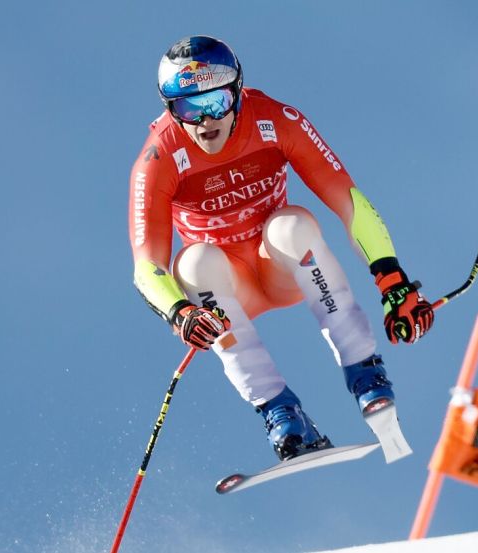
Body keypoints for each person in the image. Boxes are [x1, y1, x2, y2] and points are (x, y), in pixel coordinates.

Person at [128, 35, 434, 462]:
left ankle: (366, 372)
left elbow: (350, 202)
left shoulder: (275, 119)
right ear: (169, 109)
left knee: (292, 224)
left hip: (283, 266)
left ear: (236, 91)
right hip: (229, 291)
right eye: (186, 108)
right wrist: (180, 312)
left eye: (214, 102)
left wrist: (393, 280)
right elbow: (147, 267)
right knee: (193, 263)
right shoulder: (159, 158)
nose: (204, 122)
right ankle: (280, 411)